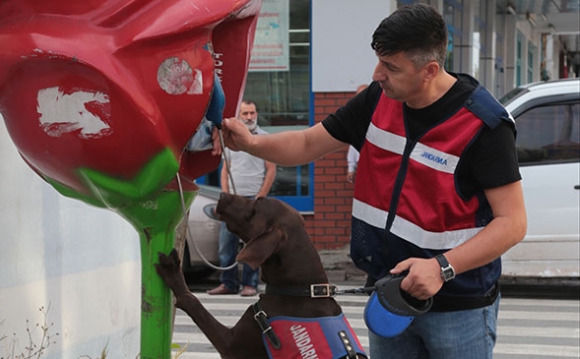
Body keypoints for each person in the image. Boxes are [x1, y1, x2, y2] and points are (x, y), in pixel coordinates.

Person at [213, 4, 526, 358]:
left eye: (391, 67)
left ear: (429, 70)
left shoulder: (483, 126)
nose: (378, 74)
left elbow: (512, 223)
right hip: (389, 295)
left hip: (458, 305)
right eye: (378, 61)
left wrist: (442, 267)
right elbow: (306, 143)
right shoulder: (378, 99)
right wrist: (252, 143)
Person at [207, 100, 276, 297]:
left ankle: (250, 284)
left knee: (252, 244)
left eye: (252, 113)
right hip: (233, 200)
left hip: (253, 199)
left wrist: (260, 197)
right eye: (245, 114)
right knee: (226, 244)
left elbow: (271, 169)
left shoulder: (264, 138)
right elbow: (225, 170)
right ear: (239, 116)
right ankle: (228, 283)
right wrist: (226, 195)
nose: (249, 117)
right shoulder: (230, 139)